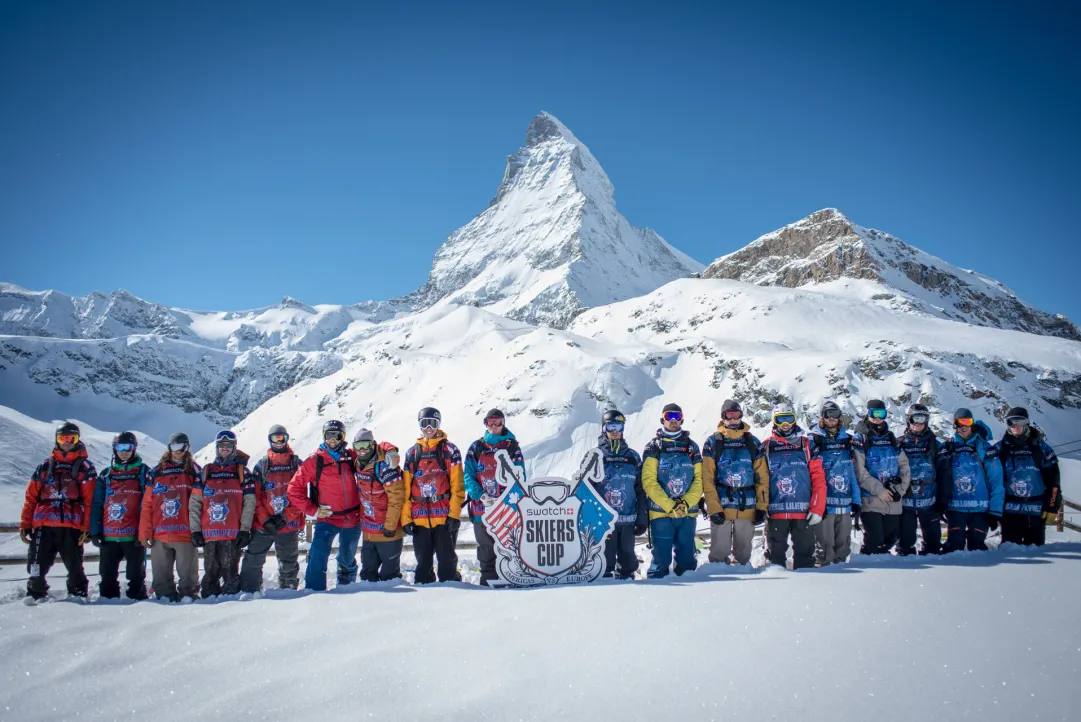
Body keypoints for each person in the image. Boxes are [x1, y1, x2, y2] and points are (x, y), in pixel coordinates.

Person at [20, 421, 98, 601]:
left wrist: (86, 528)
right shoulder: (45, 466)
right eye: (63, 438)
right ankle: (34, 596)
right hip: (43, 526)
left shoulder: (85, 467)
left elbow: (90, 501)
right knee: (36, 566)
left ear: (78, 440)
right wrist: (25, 523)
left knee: (75, 567)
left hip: (71, 527)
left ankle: (78, 597)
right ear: (57, 440)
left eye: (72, 438)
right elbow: (31, 496)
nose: (67, 442)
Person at [287, 420, 363, 590]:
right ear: (324, 436)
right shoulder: (315, 461)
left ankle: (347, 589)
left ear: (343, 437)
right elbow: (293, 489)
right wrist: (312, 510)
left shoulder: (351, 456)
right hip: (328, 517)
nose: (333, 440)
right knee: (318, 556)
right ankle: (314, 592)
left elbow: (373, 452)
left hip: (352, 517)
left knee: (347, 557)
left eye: (337, 435)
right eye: (329, 435)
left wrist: (389, 450)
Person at [401, 407, 465, 584]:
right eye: (424, 424)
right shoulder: (413, 453)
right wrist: (406, 518)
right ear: (420, 426)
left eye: (433, 424)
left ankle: (454, 594)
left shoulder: (449, 450)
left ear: (439, 425)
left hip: (444, 517)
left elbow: (458, 486)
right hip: (420, 518)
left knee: (447, 565)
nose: (429, 428)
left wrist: (454, 515)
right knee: (423, 567)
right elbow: (406, 489)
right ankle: (425, 603)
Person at [189, 430, 256, 597]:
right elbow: (195, 503)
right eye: (222, 445)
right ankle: (208, 607)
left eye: (228, 445)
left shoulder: (242, 472)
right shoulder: (206, 472)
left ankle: (230, 611)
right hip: (209, 533)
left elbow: (250, 503)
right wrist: (195, 530)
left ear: (234, 447)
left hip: (232, 534)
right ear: (216, 447)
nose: (225, 448)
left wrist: (244, 529)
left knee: (231, 573)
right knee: (210, 573)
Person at [464, 408, 527, 586]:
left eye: (497, 421)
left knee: (508, 547)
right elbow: (468, 476)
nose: (493, 425)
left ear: (503, 423)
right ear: (485, 423)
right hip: (481, 509)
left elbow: (520, 476)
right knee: (486, 549)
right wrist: (481, 495)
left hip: (506, 509)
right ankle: (487, 583)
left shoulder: (512, 447)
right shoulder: (476, 447)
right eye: (490, 421)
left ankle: (509, 581)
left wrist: (507, 499)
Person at [701, 400, 768, 566]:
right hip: (722, 506)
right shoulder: (713, 442)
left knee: (744, 555)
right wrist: (713, 508)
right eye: (729, 415)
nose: (733, 419)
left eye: (736, 415)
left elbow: (762, 478)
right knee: (718, 554)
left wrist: (762, 507)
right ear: (723, 417)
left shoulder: (752, 442)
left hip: (748, 505)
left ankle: (744, 585)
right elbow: (707, 478)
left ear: (741, 416)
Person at [239, 424, 304, 595]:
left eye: (282, 437)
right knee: (253, 559)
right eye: (275, 438)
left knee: (288, 562)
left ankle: (288, 592)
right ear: (270, 440)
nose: (279, 441)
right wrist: (265, 519)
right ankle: (249, 592)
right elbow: (256, 497)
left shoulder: (296, 465)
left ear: (287, 439)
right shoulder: (261, 466)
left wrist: (285, 517)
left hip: (288, 523)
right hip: (263, 524)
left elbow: (302, 495)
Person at [641, 403, 702, 578]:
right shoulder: (654, 447)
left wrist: (685, 503)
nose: (673, 420)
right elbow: (648, 481)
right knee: (660, 560)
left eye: (677, 416)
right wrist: (670, 505)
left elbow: (699, 480)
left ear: (682, 418)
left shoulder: (692, 447)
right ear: (662, 419)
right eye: (669, 416)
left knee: (687, 561)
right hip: (661, 512)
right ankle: (656, 595)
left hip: (687, 512)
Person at [762, 404, 827, 570]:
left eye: (789, 419)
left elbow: (818, 478)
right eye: (780, 419)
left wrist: (817, 508)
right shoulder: (766, 447)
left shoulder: (806, 445)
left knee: (805, 558)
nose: (785, 424)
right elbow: (760, 480)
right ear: (774, 421)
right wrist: (762, 506)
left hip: (802, 512)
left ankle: (805, 591)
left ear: (795, 419)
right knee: (775, 560)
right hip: (776, 511)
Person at [584, 409, 646, 579]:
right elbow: (585, 490)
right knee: (604, 563)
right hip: (604, 522)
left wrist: (642, 517)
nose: (615, 431)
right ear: (604, 429)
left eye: (618, 426)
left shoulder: (632, 456)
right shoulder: (594, 456)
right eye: (611, 426)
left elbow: (640, 489)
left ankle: (629, 593)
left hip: (628, 519)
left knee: (628, 562)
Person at [89, 431, 151, 599]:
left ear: (134, 449)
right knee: (107, 576)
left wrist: (144, 532)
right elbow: (97, 504)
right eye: (120, 447)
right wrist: (95, 530)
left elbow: (150, 503)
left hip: (133, 536)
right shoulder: (106, 474)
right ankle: (107, 607)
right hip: (109, 536)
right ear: (114, 449)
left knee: (136, 576)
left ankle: (140, 606)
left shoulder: (143, 473)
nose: (124, 451)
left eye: (128, 447)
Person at [140, 431, 201, 602]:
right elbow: (147, 505)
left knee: (189, 580)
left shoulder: (195, 471)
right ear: (169, 448)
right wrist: (144, 532)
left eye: (182, 447)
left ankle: (191, 604)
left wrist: (199, 530)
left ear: (187, 448)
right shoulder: (156, 472)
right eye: (174, 446)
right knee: (161, 581)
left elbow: (201, 503)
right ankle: (164, 609)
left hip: (185, 534)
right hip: (160, 535)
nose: (178, 451)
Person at [936, 408, 1004, 552]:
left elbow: (996, 480)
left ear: (972, 423)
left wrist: (995, 510)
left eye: (967, 422)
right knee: (953, 547)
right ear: (955, 425)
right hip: (955, 507)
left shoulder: (985, 448)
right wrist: (940, 503)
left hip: (980, 508)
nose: (963, 427)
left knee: (977, 547)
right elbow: (939, 477)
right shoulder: (948, 448)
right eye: (959, 423)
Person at [994, 407, 1060, 546]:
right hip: (1010, 510)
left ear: (1027, 423)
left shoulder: (1041, 448)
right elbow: (992, 481)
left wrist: (1052, 506)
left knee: (1036, 551)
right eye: (1011, 422)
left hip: (1035, 510)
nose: (1016, 426)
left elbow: (1053, 481)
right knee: (1010, 552)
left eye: (1020, 421)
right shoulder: (1000, 449)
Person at [852, 400, 911, 555]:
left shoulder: (891, 438)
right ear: (867, 413)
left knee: (891, 537)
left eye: (881, 414)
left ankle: (884, 570)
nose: (877, 418)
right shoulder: (861, 438)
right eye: (874, 414)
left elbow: (904, 465)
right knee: (875, 538)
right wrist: (879, 490)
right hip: (871, 497)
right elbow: (859, 470)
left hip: (893, 496)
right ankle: (870, 567)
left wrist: (900, 489)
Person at [808, 401, 861, 565]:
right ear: (822, 417)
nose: (832, 419)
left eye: (835, 415)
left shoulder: (848, 440)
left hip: (844, 502)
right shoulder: (813, 439)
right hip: (825, 503)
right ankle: (826, 577)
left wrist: (856, 500)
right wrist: (816, 504)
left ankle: (842, 578)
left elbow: (852, 472)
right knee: (824, 546)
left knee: (843, 546)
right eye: (828, 415)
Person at [353, 430, 407, 582]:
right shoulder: (357, 463)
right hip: (369, 531)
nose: (362, 450)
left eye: (366, 445)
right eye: (358, 446)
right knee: (367, 576)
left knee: (390, 577)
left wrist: (390, 526)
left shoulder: (385, 467)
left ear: (373, 445)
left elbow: (397, 497)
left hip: (388, 532)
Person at [898, 404, 944, 555]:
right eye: (914, 419)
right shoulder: (899, 444)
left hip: (929, 502)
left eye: (921, 419)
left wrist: (943, 499)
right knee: (905, 544)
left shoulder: (936, 445)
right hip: (906, 503)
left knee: (933, 544)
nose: (917, 423)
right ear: (908, 420)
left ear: (927, 421)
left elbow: (945, 474)